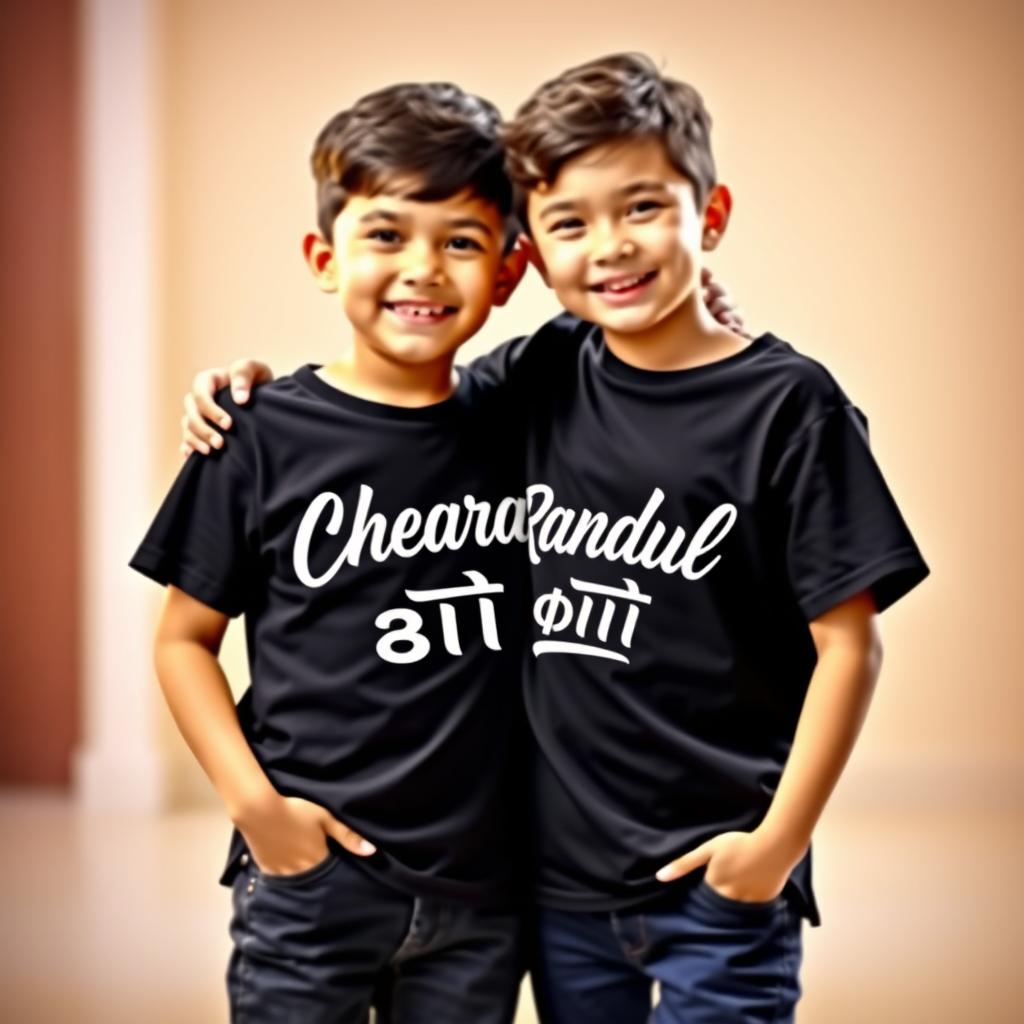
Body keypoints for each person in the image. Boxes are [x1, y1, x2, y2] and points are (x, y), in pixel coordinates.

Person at [176, 53, 929, 1023]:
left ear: (711, 215)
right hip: (556, 882)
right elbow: (390, 399)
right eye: (571, 221)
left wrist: (777, 845)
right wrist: (250, 392)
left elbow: (847, 641)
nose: (609, 247)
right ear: (533, 250)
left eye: (643, 209)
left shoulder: (782, 408)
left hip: (708, 863)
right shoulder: (532, 382)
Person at [130, 80, 537, 1024]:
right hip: (311, 885)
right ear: (324, 256)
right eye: (387, 235)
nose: (424, 269)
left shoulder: (529, 422)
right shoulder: (258, 435)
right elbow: (182, 641)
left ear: (509, 271)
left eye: (462, 242)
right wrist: (256, 809)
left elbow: (644, 341)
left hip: (485, 885)